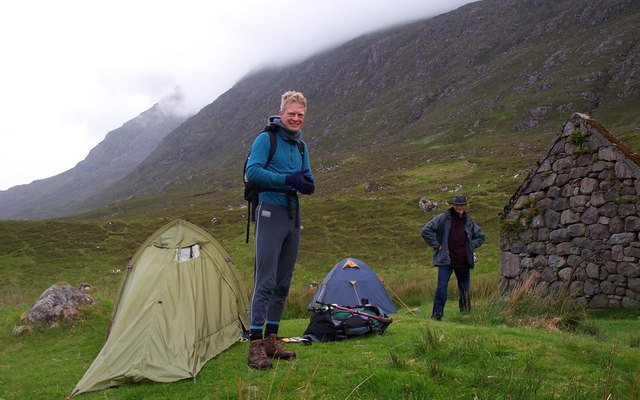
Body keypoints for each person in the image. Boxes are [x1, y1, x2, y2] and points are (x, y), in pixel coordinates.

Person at [244, 91, 315, 369]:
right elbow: (253, 172)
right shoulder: (266, 139)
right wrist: (289, 179)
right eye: (292, 113)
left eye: (300, 115)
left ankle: (272, 339)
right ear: (281, 112)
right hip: (270, 211)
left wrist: (306, 183)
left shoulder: (301, 146)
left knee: (283, 283)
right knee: (266, 281)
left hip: (292, 216)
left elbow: (306, 176)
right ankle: (255, 344)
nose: (296, 118)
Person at [421, 194, 485, 321]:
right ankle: (437, 315)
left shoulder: (468, 221)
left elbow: (481, 236)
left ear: (465, 206)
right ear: (453, 205)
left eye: (462, 205)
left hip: (463, 260)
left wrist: (470, 246)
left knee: (464, 288)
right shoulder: (443, 218)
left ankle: (466, 313)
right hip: (446, 260)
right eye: (457, 205)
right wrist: (436, 245)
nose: (459, 207)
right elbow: (426, 230)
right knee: (441, 288)